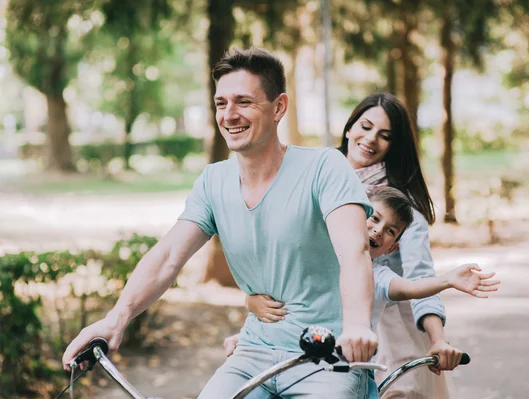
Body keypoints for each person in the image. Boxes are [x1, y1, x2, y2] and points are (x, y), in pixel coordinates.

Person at [62, 47, 379, 398]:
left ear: (279, 107)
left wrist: (356, 326)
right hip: (252, 354)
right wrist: (116, 318)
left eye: (244, 102)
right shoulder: (214, 181)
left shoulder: (325, 167)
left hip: (326, 355)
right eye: (221, 103)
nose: (229, 115)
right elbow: (169, 256)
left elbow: (354, 250)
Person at [223, 187, 500, 398]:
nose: (378, 231)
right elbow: (282, 303)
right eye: (374, 218)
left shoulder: (379, 276)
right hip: (294, 363)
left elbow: (411, 287)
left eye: (390, 231)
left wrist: (447, 280)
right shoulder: (318, 259)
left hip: (343, 373)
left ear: (392, 248)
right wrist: (249, 334)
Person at [340, 93, 460, 398]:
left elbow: (420, 276)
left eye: (385, 135)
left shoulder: (403, 209)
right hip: (325, 319)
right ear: (349, 128)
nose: (370, 139)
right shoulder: (320, 183)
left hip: (388, 328)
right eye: (365, 127)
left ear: (394, 146)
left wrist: (439, 339)